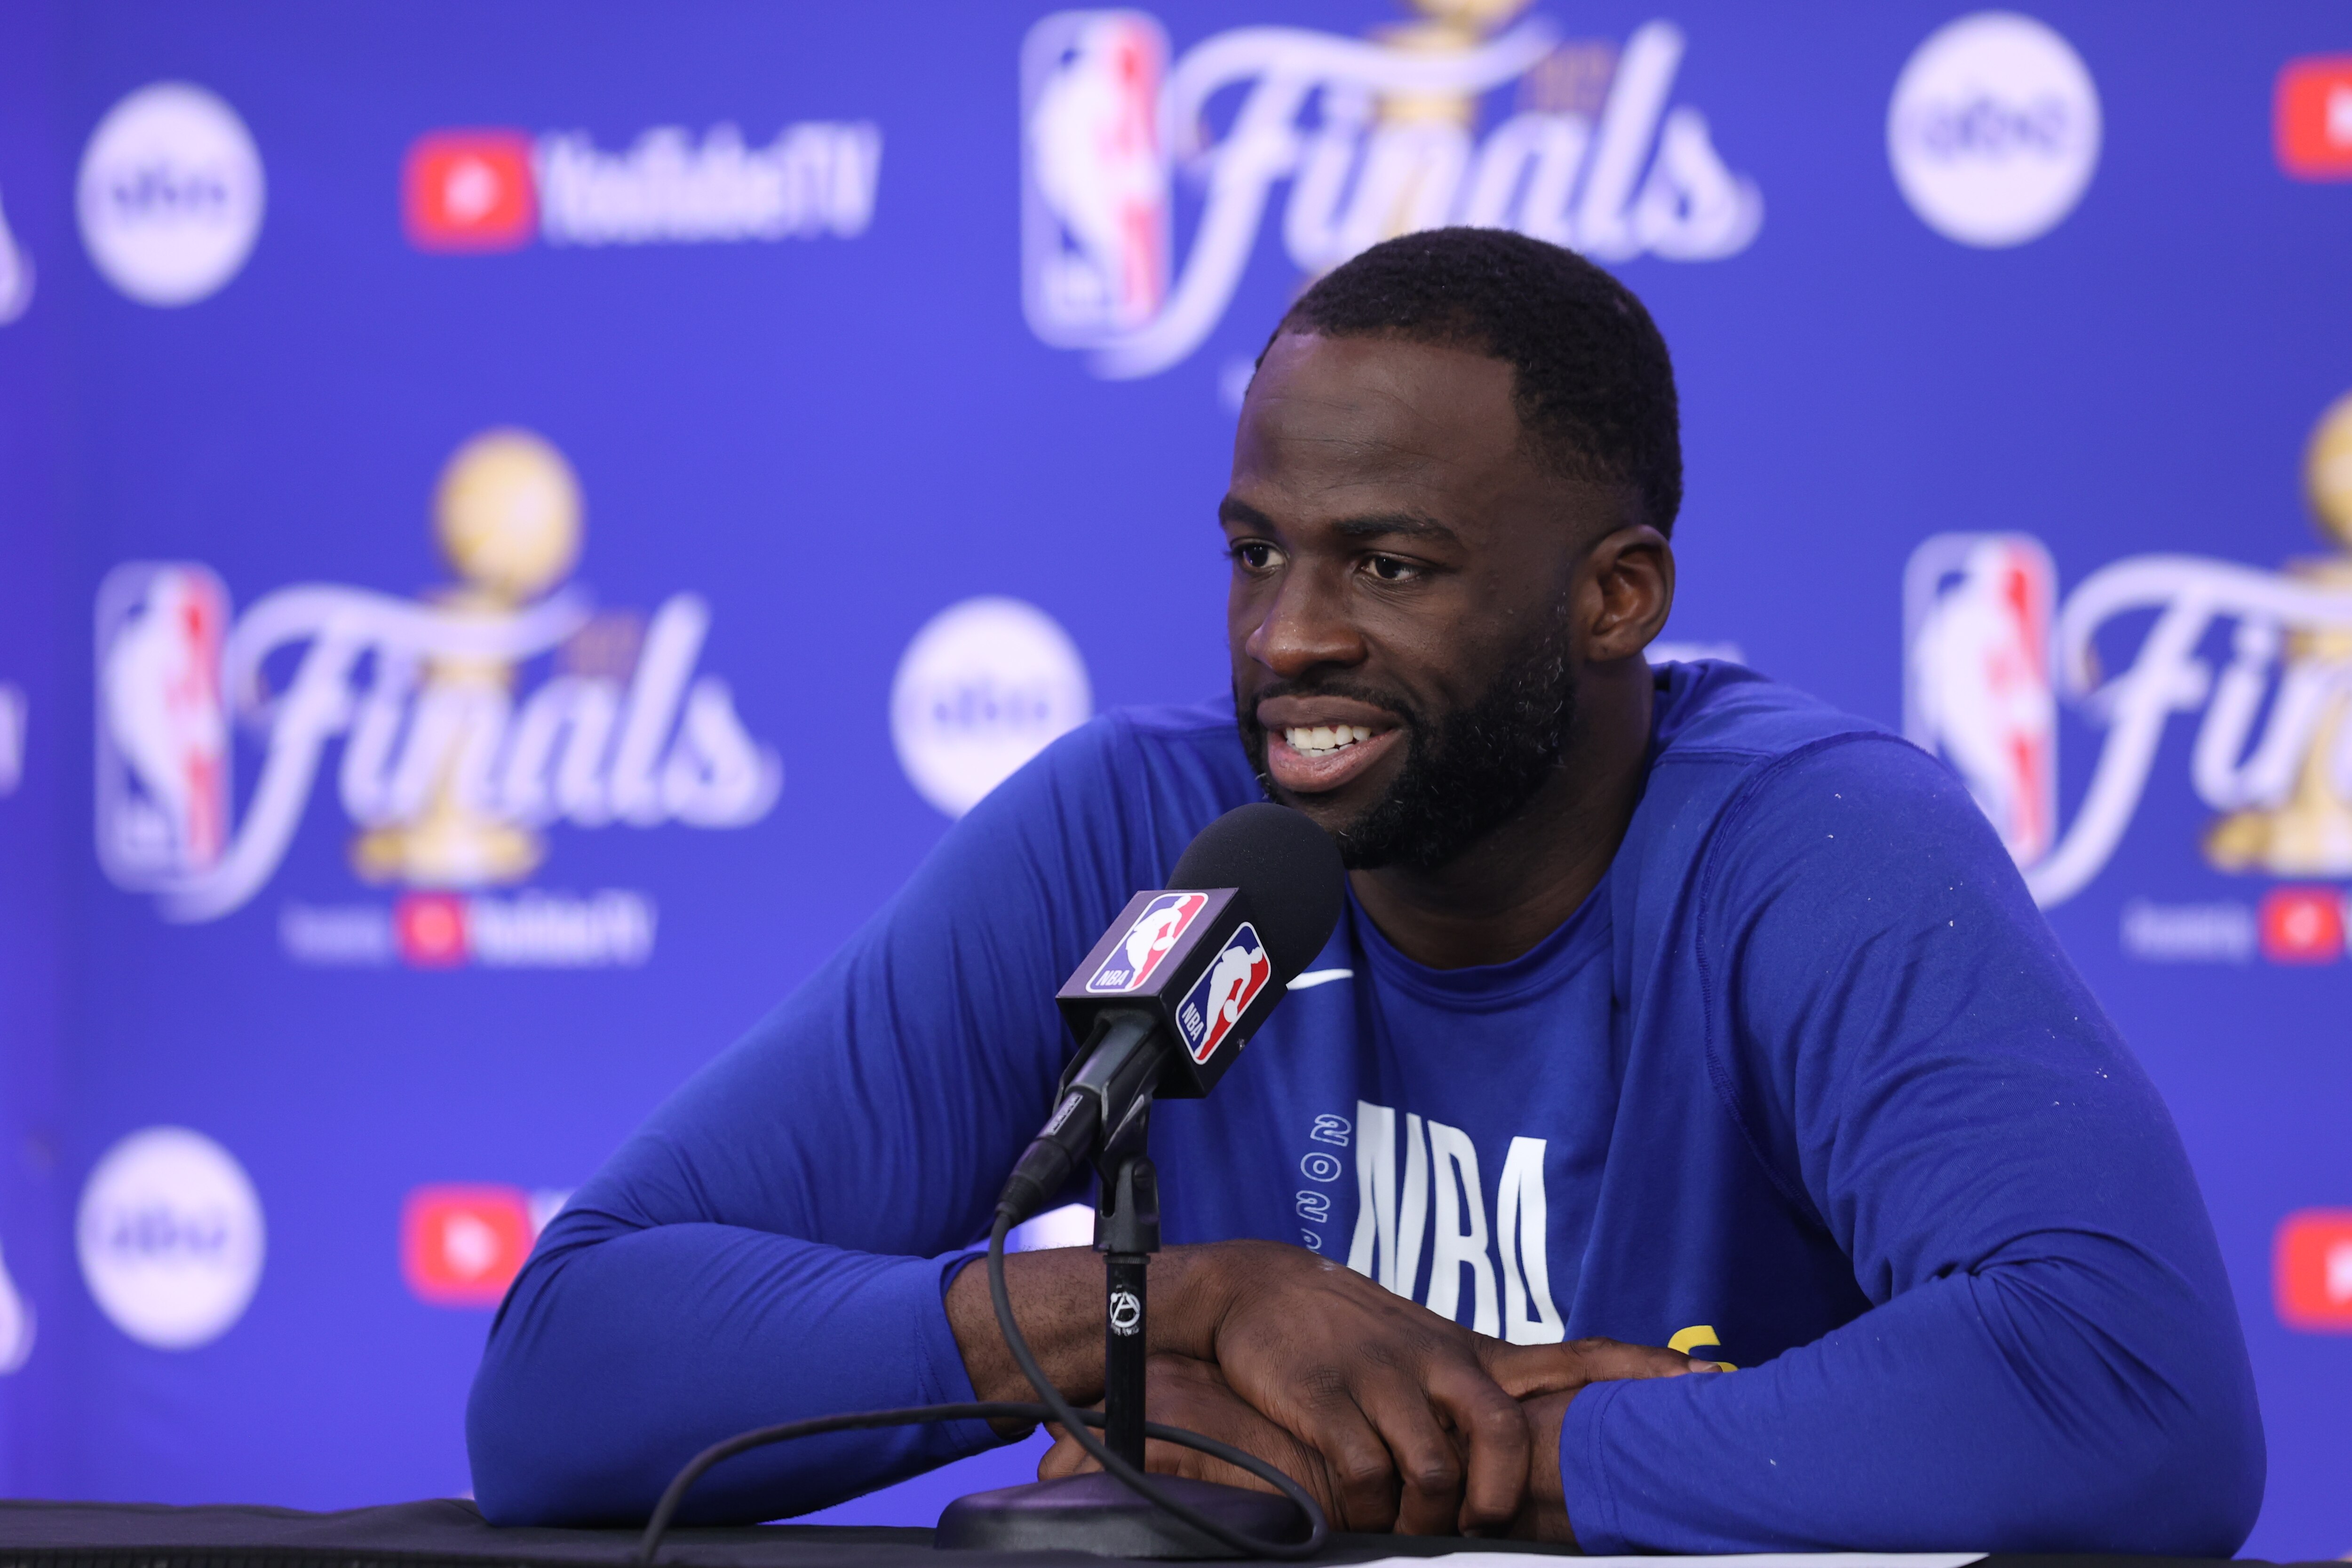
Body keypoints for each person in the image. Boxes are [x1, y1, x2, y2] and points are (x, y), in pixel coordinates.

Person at [466, 228, 2262, 1552]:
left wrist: (1400, 1455)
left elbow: (2128, 1390)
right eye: (1258, 553)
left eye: (1389, 567)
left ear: (1617, 597)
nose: (1286, 639)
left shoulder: (1810, 844)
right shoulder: (1146, 832)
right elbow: (563, 1378)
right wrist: (1164, 1314)